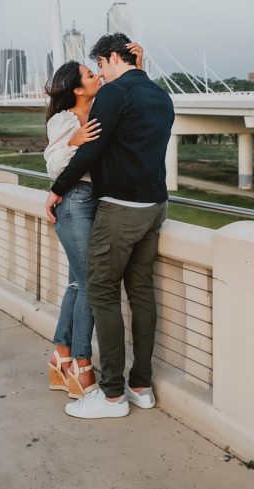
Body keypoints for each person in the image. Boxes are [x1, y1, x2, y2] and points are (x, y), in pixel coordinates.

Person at [46, 33, 174, 419]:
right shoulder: (160, 95)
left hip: (119, 208)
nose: (100, 72)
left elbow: (93, 150)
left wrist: (57, 191)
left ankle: (113, 394)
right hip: (156, 206)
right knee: (140, 292)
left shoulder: (113, 95)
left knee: (100, 290)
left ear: (111, 57)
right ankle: (141, 386)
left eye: (100, 64)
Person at [43, 44, 143, 402]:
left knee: (78, 281)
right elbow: (53, 163)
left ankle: (60, 355)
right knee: (92, 283)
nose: (97, 74)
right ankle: (81, 366)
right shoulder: (65, 120)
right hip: (73, 204)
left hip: (94, 203)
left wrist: (138, 64)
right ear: (77, 89)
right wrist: (73, 142)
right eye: (90, 74)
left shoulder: (101, 110)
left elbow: (130, 91)